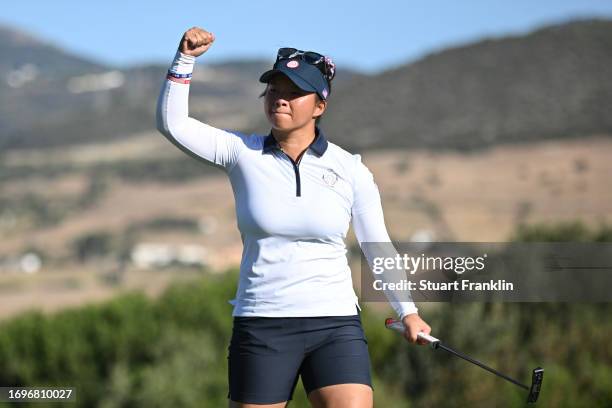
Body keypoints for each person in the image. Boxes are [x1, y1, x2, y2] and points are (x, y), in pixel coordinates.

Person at [156, 26, 432, 408]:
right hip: (263, 324)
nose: (280, 100)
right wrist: (184, 60)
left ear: (320, 105)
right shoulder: (241, 153)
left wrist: (409, 312)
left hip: (335, 324)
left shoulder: (350, 169)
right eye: (274, 91)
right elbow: (174, 124)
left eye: (293, 93)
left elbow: (376, 246)